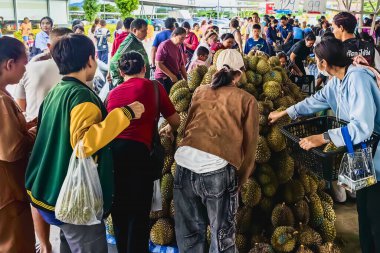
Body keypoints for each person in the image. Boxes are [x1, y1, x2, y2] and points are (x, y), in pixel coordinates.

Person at [25, 34, 145, 253]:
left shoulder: (57, 91)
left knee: (68, 242)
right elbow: (83, 144)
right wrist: (125, 114)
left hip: (50, 189)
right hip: (73, 195)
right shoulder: (81, 97)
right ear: (91, 60)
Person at [269, 37, 380, 253]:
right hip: (361, 154)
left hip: (376, 155)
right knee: (364, 212)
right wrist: (284, 112)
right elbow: (314, 101)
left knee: (376, 216)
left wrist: (323, 137)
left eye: (317, 60)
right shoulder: (336, 81)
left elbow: (363, 127)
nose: (316, 64)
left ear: (324, 63)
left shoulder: (358, 79)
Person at [172, 49, 259, 252]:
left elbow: (187, 128)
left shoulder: (200, 91)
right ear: (240, 73)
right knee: (222, 239)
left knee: (189, 236)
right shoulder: (247, 100)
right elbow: (250, 147)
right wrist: (240, 179)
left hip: (184, 165)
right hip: (217, 169)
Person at [107, 51, 180, 253]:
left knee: (120, 215)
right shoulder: (155, 88)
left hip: (114, 159)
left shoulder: (112, 94)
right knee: (138, 216)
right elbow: (175, 121)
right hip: (141, 158)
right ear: (144, 68)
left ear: (121, 72)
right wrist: (166, 130)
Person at [14, 27, 73, 253]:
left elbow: (22, 110)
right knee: (65, 190)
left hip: (36, 141)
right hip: (66, 143)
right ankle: (68, 238)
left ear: (49, 46)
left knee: (36, 194)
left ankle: (45, 245)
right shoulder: (77, 71)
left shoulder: (31, 68)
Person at [0, 36, 36, 253]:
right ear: (9, 64)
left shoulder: (5, 95)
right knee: (16, 244)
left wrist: (30, 124)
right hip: (8, 193)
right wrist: (36, 131)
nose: (26, 68)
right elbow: (12, 149)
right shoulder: (2, 101)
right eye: (24, 62)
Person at [109, 19, 150, 87]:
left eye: (146, 30)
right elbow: (113, 62)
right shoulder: (129, 42)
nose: (146, 33)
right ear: (134, 30)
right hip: (133, 86)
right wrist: (121, 83)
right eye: (143, 31)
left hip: (141, 83)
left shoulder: (137, 41)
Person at [155, 27, 188, 94]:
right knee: (168, 99)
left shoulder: (179, 46)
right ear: (174, 35)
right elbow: (158, 63)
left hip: (175, 74)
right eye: (181, 38)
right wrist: (171, 75)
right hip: (164, 77)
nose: (183, 41)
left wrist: (187, 78)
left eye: (184, 38)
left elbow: (181, 65)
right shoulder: (164, 45)